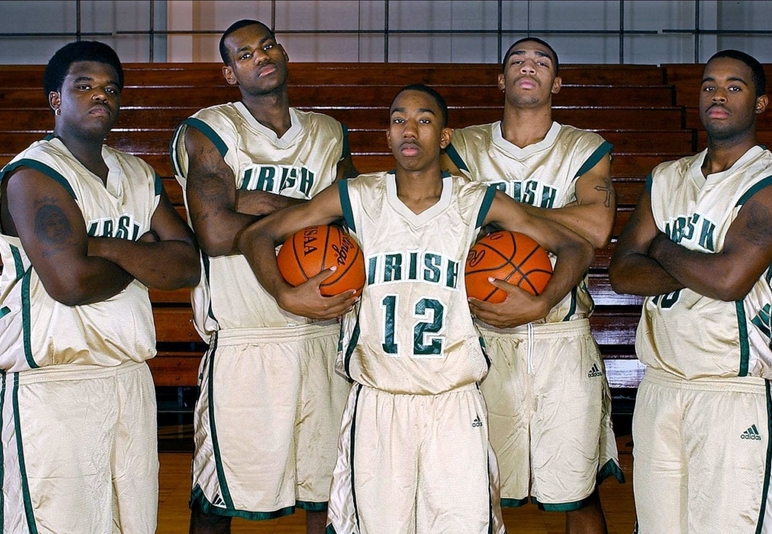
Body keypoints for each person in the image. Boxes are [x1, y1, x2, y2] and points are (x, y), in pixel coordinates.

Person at [237, 84, 595, 534]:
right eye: (398, 120)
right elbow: (255, 236)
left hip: (454, 401)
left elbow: (575, 246)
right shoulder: (357, 196)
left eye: (424, 120)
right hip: (378, 401)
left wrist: (541, 302)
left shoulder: (474, 201)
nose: (410, 129)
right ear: (387, 136)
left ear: (444, 137)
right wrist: (284, 294)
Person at [0, 41, 200, 533]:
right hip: (54, 388)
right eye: (84, 86)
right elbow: (70, 282)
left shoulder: (137, 174)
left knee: (130, 525)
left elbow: (188, 264)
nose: (100, 96)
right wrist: (145, 252)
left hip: (129, 379)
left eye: (111, 89)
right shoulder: (33, 176)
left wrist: (103, 248)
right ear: (55, 99)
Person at [169, 19, 357, 534]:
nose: (261, 57)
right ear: (230, 73)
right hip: (246, 339)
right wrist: (312, 211)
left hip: (324, 330)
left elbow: (357, 217)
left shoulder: (327, 133)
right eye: (244, 54)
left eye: (267, 45)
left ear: (283, 52)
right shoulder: (209, 130)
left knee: (331, 495)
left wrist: (254, 204)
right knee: (217, 497)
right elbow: (214, 230)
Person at [609, 50, 772, 533]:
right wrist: (703, 266)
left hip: (731, 389)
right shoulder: (666, 177)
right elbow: (623, 273)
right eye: (710, 84)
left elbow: (730, 281)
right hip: (661, 385)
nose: (718, 94)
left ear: (760, 103)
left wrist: (664, 248)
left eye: (735, 86)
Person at [441, 37, 623, 533]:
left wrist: (501, 216)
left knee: (577, 492)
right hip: (481, 332)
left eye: (542, 62)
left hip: (561, 336)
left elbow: (596, 228)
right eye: (517, 61)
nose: (529, 67)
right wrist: (558, 226)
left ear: (556, 83)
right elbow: (447, 222)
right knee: (471, 491)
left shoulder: (584, 148)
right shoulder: (462, 146)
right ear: (501, 80)